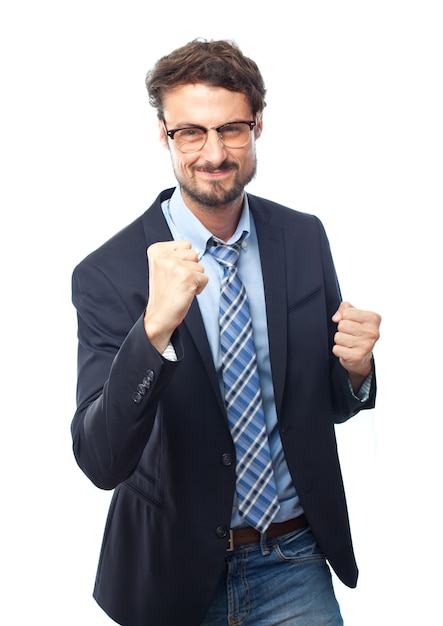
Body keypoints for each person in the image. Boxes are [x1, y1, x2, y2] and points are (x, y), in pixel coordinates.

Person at [71, 38, 381, 626]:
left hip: (292, 558)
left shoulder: (303, 238)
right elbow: (101, 459)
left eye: (231, 129)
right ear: (164, 134)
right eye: (191, 132)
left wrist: (357, 371)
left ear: (258, 124)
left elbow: (323, 406)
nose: (213, 153)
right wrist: (154, 330)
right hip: (171, 574)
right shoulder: (107, 273)